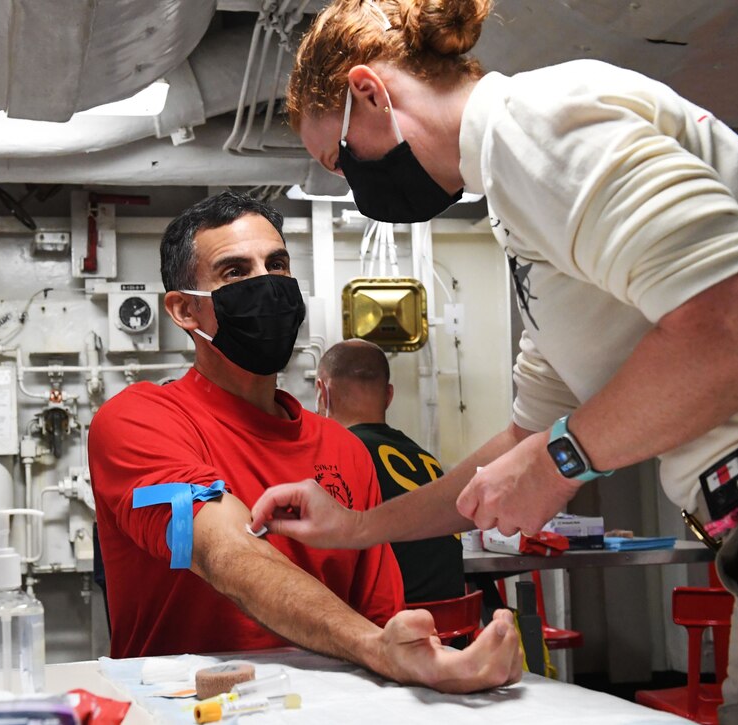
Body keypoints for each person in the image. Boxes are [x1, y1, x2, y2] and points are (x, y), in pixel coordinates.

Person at [250, 1, 738, 722]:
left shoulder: (533, 125)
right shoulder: (520, 200)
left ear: (370, 92)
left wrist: (561, 460)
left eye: (340, 157)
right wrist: (354, 527)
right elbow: (522, 438)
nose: (355, 185)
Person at [89, 190, 521, 694]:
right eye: (235, 272)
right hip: (186, 708)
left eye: (277, 265)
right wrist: (373, 647)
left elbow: (380, 616)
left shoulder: (342, 449)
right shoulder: (138, 422)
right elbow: (222, 552)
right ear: (185, 310)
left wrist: (415, 654)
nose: (267, 285)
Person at [317, 339, 464, 603]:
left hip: (390, 632)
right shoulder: (426, 460)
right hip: (454, 631)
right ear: (389, 396)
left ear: (322, 393)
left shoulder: (338, 457)